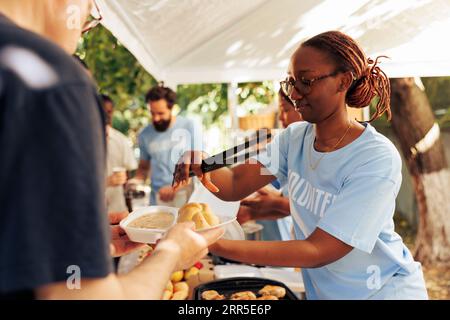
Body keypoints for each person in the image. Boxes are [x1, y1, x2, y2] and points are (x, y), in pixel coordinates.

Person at [173, 30, 428, 299]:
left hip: (383, 292)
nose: (294, 93)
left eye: (305, 81)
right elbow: (235, 183)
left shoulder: (374, 158)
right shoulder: (293, 139)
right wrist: (203, 162)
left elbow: (318, 250)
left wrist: (210, 243)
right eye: (290, 82)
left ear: (343, 82)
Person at [0, 0, 223, 299]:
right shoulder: (51, 78)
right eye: (90, 13)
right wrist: (172, 253)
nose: (83, 30)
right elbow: (78, 293)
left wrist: (81, 243)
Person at [238, 89, 303, 241]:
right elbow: (291, 201)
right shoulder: (294, 149)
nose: (281, 118)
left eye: (285, 110)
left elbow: (310, 207)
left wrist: (277, 202)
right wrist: (253, 213)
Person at [131, 84, 202, 206]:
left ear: (171, 108)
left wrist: (175, 187)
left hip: (186, 195)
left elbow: (197, 164)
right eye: (152, 113)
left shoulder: (189, 126)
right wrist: (135, 181)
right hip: (158, 199)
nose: (156, 118)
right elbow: (143, 168)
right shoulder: (144, 134)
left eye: (160, 113)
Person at [102, 94, 138, 213]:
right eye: (102, 112)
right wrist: (106, 182)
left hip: (117, 209)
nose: (106, 116)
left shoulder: (121, 140)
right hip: (92, 211)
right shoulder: (81, 142)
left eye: (109, 111)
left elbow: (130, 174)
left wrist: (130, 182)